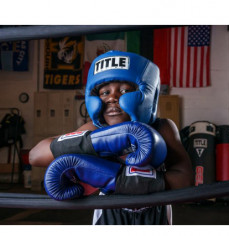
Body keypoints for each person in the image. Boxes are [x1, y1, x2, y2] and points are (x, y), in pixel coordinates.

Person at [29, 50, 194, 225]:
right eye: (104, 92)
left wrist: (119, 179)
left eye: (124, 90)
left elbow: (185, 181)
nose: (112, 98)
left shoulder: (162, 128)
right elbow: (36, 155)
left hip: (155, 213)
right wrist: (94, 141)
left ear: (146, 94)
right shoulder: (93, 129)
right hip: (108, 212)